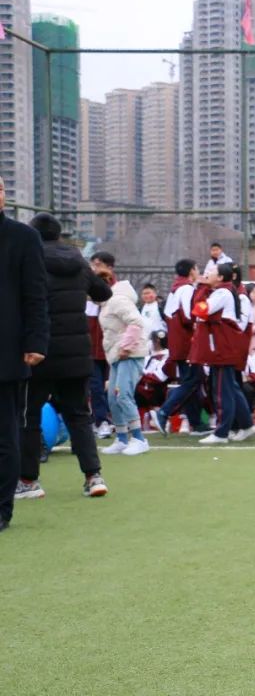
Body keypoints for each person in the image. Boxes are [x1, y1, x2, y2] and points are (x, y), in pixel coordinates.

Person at [16, 213, 112, 500]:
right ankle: (93, 476)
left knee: (29, 416)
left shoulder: (28, 260)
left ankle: (28, 480)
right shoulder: (78, 261)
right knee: (79, 415)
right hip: (77, 353)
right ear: (59, 234)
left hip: (38, 352)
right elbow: (103, 293)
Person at [1, 188, 50, 532]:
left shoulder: (22, 237)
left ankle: (2, 509)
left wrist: (35, 341)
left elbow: (36, 294)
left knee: (4, 435)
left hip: (6, 352)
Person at [189, 263, 255, 444]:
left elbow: (199, 310)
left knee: (221, 391)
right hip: (222, 346)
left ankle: (221, 432)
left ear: (220, 278)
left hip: (221, 348)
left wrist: (202, 286)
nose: (207, 274)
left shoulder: (222, 293)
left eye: (212, 272)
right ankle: (247, 424)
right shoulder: (222, 292)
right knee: (230, 388)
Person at [95, 261, 152, 456]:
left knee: (123, 395)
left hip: (129, 354)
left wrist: (126, 347)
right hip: (117, 355)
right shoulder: (106, 304)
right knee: (113, 397)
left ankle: (139, 438)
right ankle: (121, 438)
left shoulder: (118, 300)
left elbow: (136, 322)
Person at [154, 259, 211, 437]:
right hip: (186, 342)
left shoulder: (175, 288)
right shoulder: (186, 288)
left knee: (191, 380)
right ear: (192, 270)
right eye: (197, 268)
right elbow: (188, 315)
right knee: (193, 380)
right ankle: (164, 411)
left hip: (177, 341)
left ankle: (196, 423)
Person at [88, 251, 115, 437]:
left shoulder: (116, 287)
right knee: (95, 386)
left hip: (111, 344)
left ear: (109, 267)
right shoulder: (86, 284)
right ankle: (101, 420)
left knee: (113, 386)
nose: (94, 268)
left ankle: (114, 420)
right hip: (91, 345)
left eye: (98, 264)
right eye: (93, 264)